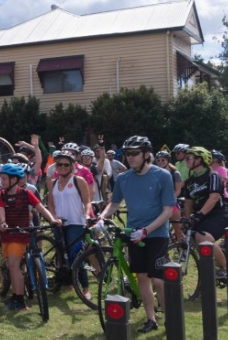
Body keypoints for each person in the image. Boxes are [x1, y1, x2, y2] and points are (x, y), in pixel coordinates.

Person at [96, 136, 174, 333]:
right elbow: (114, 204)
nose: (129, 157)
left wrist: (147, 230)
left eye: (134, 154)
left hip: (156, 234)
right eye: (127, 154)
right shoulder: (123, 178)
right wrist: (101, 218)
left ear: (146, 155)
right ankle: (151, 319)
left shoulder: (163, 176)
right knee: (141, 278)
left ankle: (170, 318)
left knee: (158, 279)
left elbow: (168, 210)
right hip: (133, 233)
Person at [0, 163, 60, 311]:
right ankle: (16, 296)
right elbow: (0, 210)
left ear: (14, 180)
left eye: (4, 179)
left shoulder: (26, 194)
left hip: (21, 235)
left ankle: (20, 301)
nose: (2, 182)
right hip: (7, 235)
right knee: (12, 267)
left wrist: (53, 220)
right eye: (2, 178)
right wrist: (3, 222)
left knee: (14, 266)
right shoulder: (0, 195)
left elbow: (41, 208)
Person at [46, 151, 92, 299]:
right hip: (59, 223)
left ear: (72, 166)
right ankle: (67, 282)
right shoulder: (53, 183)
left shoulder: (78, 181)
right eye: (59, 164)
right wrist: (53, 217)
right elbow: (51, 204)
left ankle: (85, 288)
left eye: (66, 164)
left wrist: (86, 215)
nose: (63, 167)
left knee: (76, 255)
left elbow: (87, 201)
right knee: (61, 254)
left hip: (75, 222)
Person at [181, 147, 228, 279]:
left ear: (200, 159)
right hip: (200, 214)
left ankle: (225, 268)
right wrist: (187, 218)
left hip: (218, 213)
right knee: (194, 238)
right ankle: (208, 276)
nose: (186, 161)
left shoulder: (213, 176)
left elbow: (213, 198)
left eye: (189, 158)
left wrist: (199, 215)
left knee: (203, 238)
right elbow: (188, 203)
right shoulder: (190, 181)